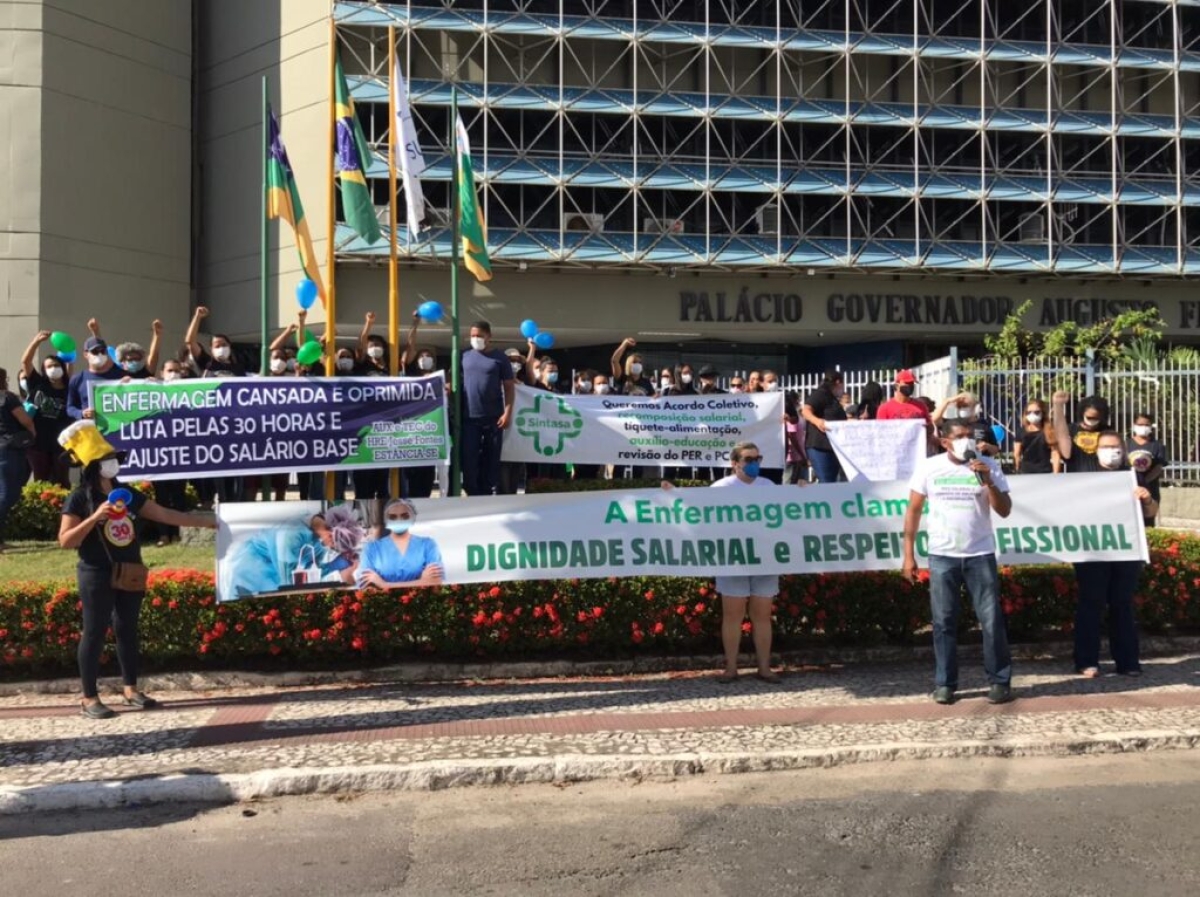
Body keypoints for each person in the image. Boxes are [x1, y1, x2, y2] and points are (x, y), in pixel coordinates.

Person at [56, 420, 215, 719]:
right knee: (94, 632)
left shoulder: (127, 494)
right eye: (107, 459)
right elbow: (65, 540)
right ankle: (88, 697)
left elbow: (166, 514)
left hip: (129, 569)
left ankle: (131, 689)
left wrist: (207, 522)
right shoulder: (78, 498)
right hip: (95, 572)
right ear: (93, 465)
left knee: (127, 628)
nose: (113, 463)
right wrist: (95, 518)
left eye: (113, 458)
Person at [902, 419, 1014, 705]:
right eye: (960, 436)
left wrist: (988, 481)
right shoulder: (930, 467)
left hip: (980, 554)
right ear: (945, 442)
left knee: (991, 621)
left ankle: (1000, 681)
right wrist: (908, 554)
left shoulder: (988, 465)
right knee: (943, 622)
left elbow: (1004, 510)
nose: (967, 441)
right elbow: (913, 510)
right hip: (942, 555)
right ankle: (945, 683)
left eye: (969, 436)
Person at [665, 442, 793, 682]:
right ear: (735, 464)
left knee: (762, 616)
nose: (754, 463)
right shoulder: (720, 487)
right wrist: (674, 493)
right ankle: (731, 668)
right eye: (748, 459)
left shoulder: (768, 485)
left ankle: (764, 668)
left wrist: (803, 490)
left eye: (758, 458)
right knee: (732, 615)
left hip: (764, 558)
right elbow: (696, 507)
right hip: (732, 558)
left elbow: (790, 508)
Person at [1072, 431, 1158, 678]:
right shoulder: (1084, 475)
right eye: (1106, 446)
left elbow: (1152, 511)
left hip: (1126, 551)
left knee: (1122, 604)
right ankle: (1087, 661)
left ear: (1123, 448)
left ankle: (1128, 662)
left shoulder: (1134, 475)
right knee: (1091, 603)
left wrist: (1147, 498)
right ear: (1097, 449)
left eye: (1116, 446)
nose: (1112, 451)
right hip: (1091, 550)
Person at [460, 320, 514, 496]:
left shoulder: (500, 358)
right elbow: (452, 381)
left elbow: (509, 387)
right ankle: (471, 491)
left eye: (479, 336)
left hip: (494, 418)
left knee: (491, 460)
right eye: (473, 336)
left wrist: (507, 412)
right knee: (469, 459)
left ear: (489, 337)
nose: (475, 339)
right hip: (469, 418)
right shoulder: (464, 356)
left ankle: (486, 493)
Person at [19, 331, 72, 486]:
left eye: (56, 365)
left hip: (61, 443)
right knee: (41, 481)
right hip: (37, 442)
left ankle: (63, 509)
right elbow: (25, 362)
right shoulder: (38, 383)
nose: (53, 368)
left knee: (62, 480)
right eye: (49, 366)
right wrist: (36, 341)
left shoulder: (69, 389)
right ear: (44, 369)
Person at [357, 498, 444, 589]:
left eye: (405, 516)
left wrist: (384, 584)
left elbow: (436, 581)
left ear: (413, 517)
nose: (399, 520)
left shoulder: (428, 545)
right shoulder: (371, 548)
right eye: (393, 517)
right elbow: (366, 586)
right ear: (386, 520)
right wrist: (422, 581)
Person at [1, 368, 38, 548]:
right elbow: (25, 420)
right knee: (8, 494)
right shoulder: (7, 397)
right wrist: (32, 434)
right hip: (10, 449)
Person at [801, 368, 847, 483]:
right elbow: (805, 410)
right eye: (842, 384)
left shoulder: (832, 398)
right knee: (826, 481)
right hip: (819, 446)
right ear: (838, 382)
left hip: (832, 446)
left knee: (831, 481)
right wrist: (817, 421)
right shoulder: (821, 394)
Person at [66, 336, 125, 420]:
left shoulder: (120, 375)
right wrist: (82, 413)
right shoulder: (78, 379)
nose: (99, 354)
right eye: (95, 352)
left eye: (102, 351)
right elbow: (70, 408)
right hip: (90, 429)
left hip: (116, 428)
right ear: (86, 354)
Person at [1051, 392, 1110, 473]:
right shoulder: (1071, 430)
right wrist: (1058, 406)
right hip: (1076, 478)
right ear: (1082, 414)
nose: (1092, 421)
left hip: (1102, 477)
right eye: (1089, 417)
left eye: (1096, 418)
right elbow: (1065, 453)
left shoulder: (1108, 432)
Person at [1126, 412, 1167, 528]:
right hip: (1130, 489)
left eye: (1146, 425)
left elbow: (1159, 467)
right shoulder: (1126, 444)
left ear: (1150, 427)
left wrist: (1145, 482)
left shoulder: (1157, 446)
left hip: (1150, 489)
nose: (1143, 427)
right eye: (1140, 424)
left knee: (1147, 522)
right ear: (1134, 425)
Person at [185, 306, 245, 378]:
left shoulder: (239, 368)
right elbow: (190, 341)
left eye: (224, 345)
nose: (221, 348)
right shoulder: (207, 363)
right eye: (217, 346)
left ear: (229, 346)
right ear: (211, 350)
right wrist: (197, 317)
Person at [932, 393, 999, 457]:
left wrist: (987, 446)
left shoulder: (983, 424)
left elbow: (995, 450)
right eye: (959, 406)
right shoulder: (951, 424)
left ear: (976, 407)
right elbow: (934, 419)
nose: (962, 409)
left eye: (965, 406)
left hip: (979, 463)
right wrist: (947, 401)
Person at [1012, 399, 1059, 474]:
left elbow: (1055, 453)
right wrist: (1016, 470)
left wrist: (1056, 474)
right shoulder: (1021, 432)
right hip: (1025, 473)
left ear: (1043, 413)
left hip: (1045, 472)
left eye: (1036, 412)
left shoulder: (1050, 431)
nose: (1032, 415)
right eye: (1029, 412)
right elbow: (1016, 454)